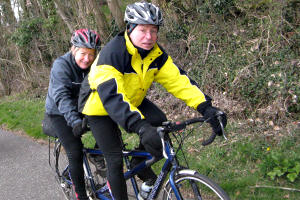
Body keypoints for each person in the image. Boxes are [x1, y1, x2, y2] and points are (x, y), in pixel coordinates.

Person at [78, 2, 227, 200]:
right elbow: (112, 96)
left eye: (153, 30)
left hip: (132, 99)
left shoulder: (156, 54)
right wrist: (140, 127)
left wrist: (206, 107)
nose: (149, 37)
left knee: (159, 121)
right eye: (142, 30)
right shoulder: (113, 53)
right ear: (129, 29)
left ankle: (138, 164)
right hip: (100, 107)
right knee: (114, 161)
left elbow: (179, 81)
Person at [44, 29, 102, 200]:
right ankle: (81, 195)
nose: (87, 59)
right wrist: (75, 122)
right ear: (74, 49)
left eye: (91, 54)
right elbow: (61, 96)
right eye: (83, 53)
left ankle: (97, 155)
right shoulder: (61, 65)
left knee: (111, 131)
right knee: (75, 151)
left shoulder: (95, 65)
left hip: (82, 108)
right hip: (59, 113)